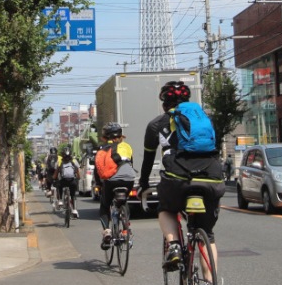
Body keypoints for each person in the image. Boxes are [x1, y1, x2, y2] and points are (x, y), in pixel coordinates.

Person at [138, 81, 225, 272]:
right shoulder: (204, 120)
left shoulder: (156, 124)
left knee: (166, 209)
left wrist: (143, 184)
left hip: (177, 177)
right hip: (211, 175)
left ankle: (174, 245)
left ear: (164, 103)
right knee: (207, 236)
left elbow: (148, 159)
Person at [94, 122, 136, 250]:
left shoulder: (102, 150)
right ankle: (125, 230)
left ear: (104, 137)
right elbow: (131, 164)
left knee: (105, 205)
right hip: (129, 179)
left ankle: (107, 231)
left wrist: (98, 185)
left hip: (111, 181)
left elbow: (98, 170)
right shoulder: (127, 147)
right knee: (124, 201)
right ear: (120, 136)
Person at [54, 145, 80, 218]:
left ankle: (60, 201)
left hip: (63, 180)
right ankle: (74, 209)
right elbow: (78, 172)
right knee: (73, 195)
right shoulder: (74, 161)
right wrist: (78, 178)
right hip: (72, 181)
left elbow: (56, 173)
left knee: (59, 186)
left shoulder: (59, 161)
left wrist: (54, 179)